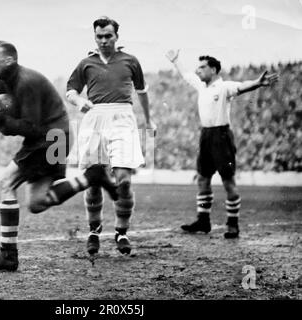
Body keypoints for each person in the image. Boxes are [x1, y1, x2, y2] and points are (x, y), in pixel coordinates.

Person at [0, 41, 119, 272]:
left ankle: (8, 256)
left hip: (50, 138)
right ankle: (91, 176)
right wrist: (1, 118)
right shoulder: (3, 83)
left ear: (9, 60)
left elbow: (31, 128)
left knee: (5, 182)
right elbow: (22, 124)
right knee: (37, 202)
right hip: (57, 137)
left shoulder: (26, 82)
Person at [66, 17, 156, 255]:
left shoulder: (130, 61)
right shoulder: (86, 63)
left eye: (108, 36)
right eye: (99, 36)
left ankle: (121, 231)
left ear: (117, 36)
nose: (104, 40)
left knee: (124, 180)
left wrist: (148, 119)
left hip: (122, 117)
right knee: (94, 180)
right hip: (95, 117)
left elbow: (142, 91)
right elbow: (70, 91)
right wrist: (79, 101)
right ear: (95, 37)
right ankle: (94, 231)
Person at [166, 49, 278, 238]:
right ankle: (203, 220)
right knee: (202, 178)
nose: (198, 70)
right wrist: (176, 61)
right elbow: (186, 76)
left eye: (202, 67)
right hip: (206, 135)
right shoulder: (202, 87)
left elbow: (243, 86)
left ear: (214, 70)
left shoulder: (224, 87)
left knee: (228, 181)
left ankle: (233, 224)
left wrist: (258, 83)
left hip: (221, 136)